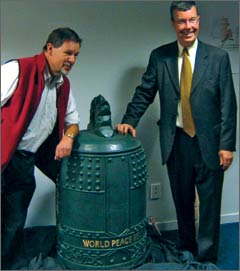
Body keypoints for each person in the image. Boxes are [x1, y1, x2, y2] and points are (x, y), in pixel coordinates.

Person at [116, 1, 237, 264]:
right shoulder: (160, 57)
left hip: (210, 142)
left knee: (210, 205)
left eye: (192, 20)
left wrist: (227, 145)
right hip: (176, 141)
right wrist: (129, 119)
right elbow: (145, 92)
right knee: (182, 202)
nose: (188, 26)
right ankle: (187, 250)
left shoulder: (218, 58)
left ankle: (206, 259)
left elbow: (229, 104)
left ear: (199, 20)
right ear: (173, 24)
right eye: (181, 21)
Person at [1, 27, 82, 269]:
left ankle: (7, 265)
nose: (72, 60)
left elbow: (73, 121)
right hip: (4, 154)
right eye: (68, 53)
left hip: (23, 161)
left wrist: (68, 138)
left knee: (13, 220)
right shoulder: (18, 69)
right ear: (49, 48)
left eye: (76, 55)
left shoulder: (63, 85)